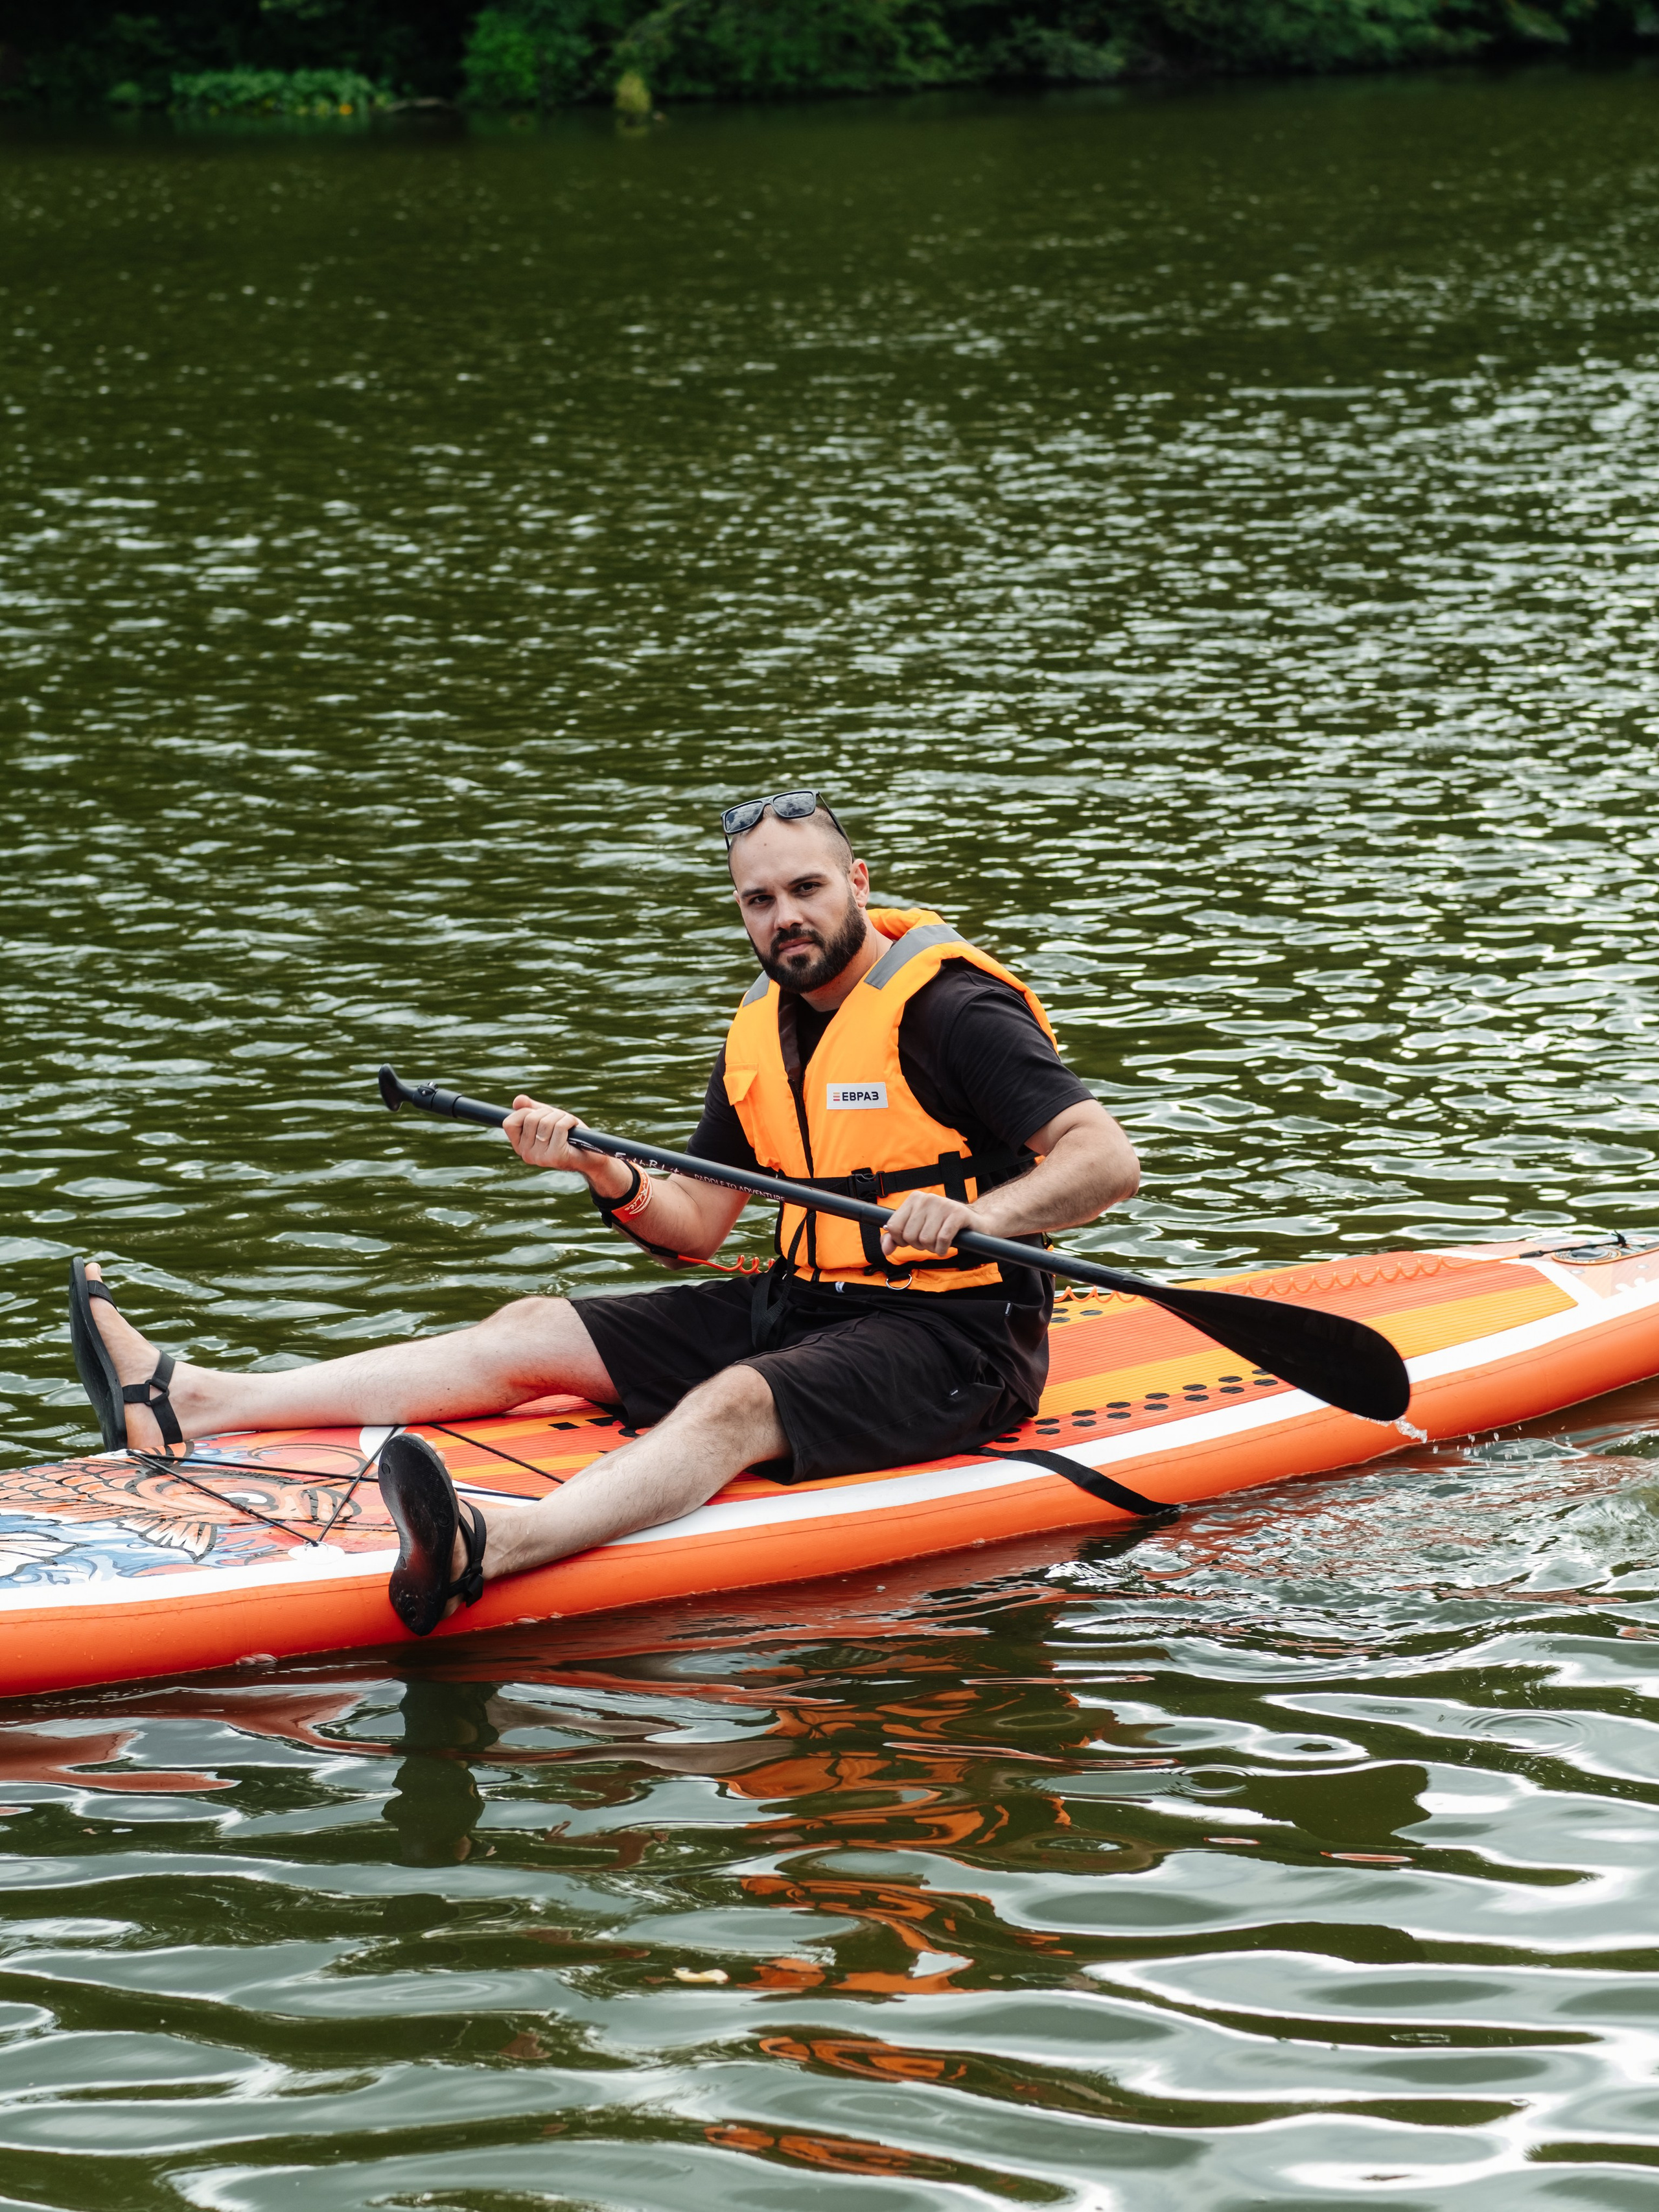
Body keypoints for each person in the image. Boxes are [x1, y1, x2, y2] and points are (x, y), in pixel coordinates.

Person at [68, 790, 1140, 1635]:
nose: (786, 917)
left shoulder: (954, 1009)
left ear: (857, 882)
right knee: (530, 1328)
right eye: (759, 900)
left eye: (807, 888)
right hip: (807, 1301)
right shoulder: (762, 1027)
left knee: (737, 1400)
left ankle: (491, 1547)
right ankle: (190, 1400)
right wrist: (600, 1169)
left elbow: (1106, 1160)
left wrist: (977, 1211)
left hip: (956, 1335)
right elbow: (699, 1224)